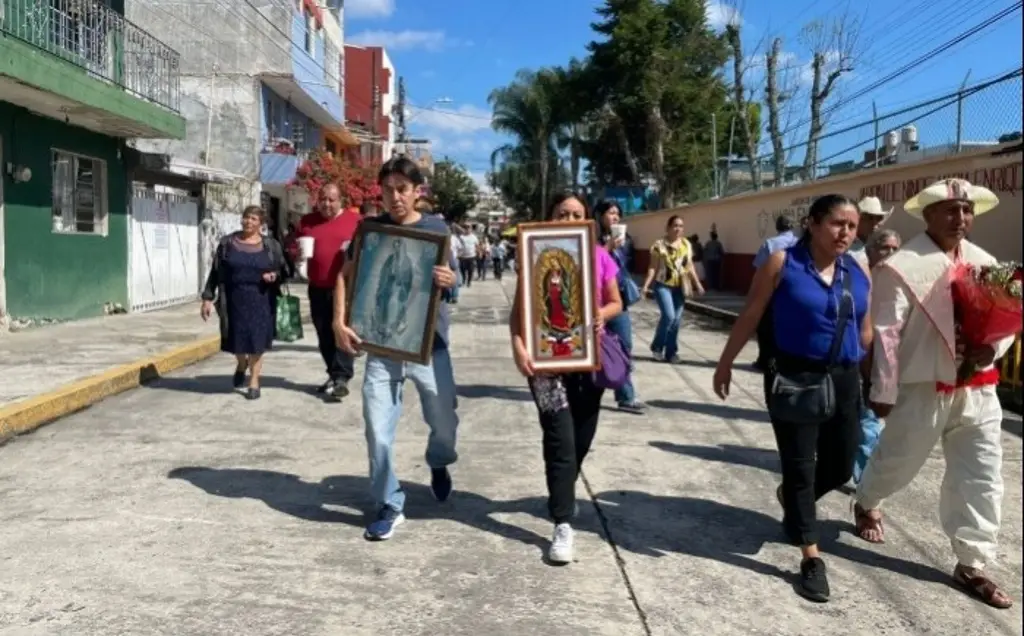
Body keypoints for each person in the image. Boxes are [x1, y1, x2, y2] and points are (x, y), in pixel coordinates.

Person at [854, 179, 1014, 609]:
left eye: (966, 210)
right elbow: (887, 334)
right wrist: (883, 388)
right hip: (924, 384)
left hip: (978, 388)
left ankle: (973, 563)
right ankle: (867, 499)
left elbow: (1006, 319)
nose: (959, 218)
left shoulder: (986, 262)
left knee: (982, 474)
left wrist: (992, 349)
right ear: (927, 215)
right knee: (898, 460)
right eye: (949, 210)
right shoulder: (901, 265)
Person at [713, 194, 871, 603]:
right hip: (795, 376)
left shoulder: (856, 270)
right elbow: (750, 313)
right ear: (814, 223)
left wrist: (878, 379)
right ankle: (810, 557)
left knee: (840, 464)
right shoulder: (783, 263)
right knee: (799, 465)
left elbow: (866, 330)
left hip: (846, 378)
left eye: (852, 227)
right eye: (838, 223)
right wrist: (726, 362)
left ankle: (792, 500)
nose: (846, 233)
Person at [332, 156, 459, 542]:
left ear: (417, 191)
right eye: (388, 189)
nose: (395, 196)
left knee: (444, 422)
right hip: (382, 344)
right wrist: (339, 321)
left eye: (402, 189)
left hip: (429, 344)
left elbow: (452, 284)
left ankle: (438, 461)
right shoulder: (370, 230)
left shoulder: (437, 230)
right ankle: (390, 501)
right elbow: (345, 274)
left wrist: (449, 278)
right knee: (377, 427)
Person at [508, 192, 623, 564]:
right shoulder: (533, 256)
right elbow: (520, 309)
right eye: (561, 213)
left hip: (590, 363)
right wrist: (518, 346)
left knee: (581, 440)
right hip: (548, 366)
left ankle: (560, 493)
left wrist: (602, 314)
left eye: (576, 213)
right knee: (560, 439)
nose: (568, 218)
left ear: (587, 220)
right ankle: (563, 523)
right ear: (550, 217)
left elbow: (615, 300)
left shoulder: (600, 256)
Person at [200, 205, 289, 400]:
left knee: (257, 342)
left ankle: (254, 381)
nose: (249, 222)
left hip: (262, 300)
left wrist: (274, 276)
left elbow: (284, 271)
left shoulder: (271, 246)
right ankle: (241, 364)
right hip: (234, 299)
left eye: (254, 219)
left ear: (261, 224)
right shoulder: (227, 243)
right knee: (237, 340)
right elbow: (215, 273)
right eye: (246, 218)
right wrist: (207, 298)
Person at [296, 183, 361, 401]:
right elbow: (295, 248)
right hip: (317, 287)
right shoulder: (307, 222)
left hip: (345, 289)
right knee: (324, 334)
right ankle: (334, 375)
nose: (326, 204)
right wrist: (297, 254)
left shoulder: (355, 222)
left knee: (340, 332)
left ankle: (341, 377)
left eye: (331, 199)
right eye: (323, 199)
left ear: (341, 200)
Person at [851, 229, 902, 486]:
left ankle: (864, 477)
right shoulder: (858, 277)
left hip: (885, 365)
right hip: (856, 360)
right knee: (866, 424)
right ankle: (863, 480)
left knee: (870, 424)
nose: (890, 254)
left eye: (895, 249)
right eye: (885, 247)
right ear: (870, 250)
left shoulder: (899, 282)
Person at [596, 199, 646, 413]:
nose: (615, 217)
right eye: (610, 213)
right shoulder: (591, 238)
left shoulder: (623, 240)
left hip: (618, 301)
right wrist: (607, 248)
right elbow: (591, 262)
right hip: (597, 301)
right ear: (599, 215)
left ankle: (624, 395)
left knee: (624, 346)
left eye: (617, 213)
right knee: (594, 348)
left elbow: (622, 269)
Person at [640, 215, 704, 363]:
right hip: (663, 285)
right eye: (675, 225)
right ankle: (657, 347)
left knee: (676, 320)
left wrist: (697, 284)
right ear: (668, 228)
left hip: (680, 287)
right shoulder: (659, 245)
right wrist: (645, 286)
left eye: (681, 226)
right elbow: (652, 267)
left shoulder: (686, 245)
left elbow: (689, 266)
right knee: (669, 316)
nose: (678, 229)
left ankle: (671, 352)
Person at [751, 216, 800, 371]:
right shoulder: (800, 243)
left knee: (765, 326)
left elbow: (759, 267)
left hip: (772, 290)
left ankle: (764, 360)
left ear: (778, 227)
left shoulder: (770, 243)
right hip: (794, 291)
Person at [848, 196, 892, 266]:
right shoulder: (846, 245)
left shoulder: (870, 245)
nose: (874, 223)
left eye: (879, 218)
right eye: (869, 217)